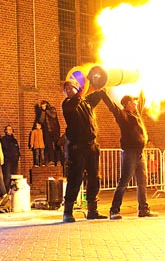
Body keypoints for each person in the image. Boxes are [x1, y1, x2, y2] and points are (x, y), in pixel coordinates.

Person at [101, 93, 157, 219]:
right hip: (130, 152)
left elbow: (142, 98)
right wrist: (103, 92)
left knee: (142, 181)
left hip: (140, 153)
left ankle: (143, 209)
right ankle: (114, 210)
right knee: (124, 181)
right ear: (127, 104)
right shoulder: (123, 115)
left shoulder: (136, 114)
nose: (136, 104)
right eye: (133, 102)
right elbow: (112, 106)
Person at [61, 79, 107, 222]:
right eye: (66, 89)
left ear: (77, 88)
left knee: (94, 178)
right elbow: (74, 102)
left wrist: (98, 80)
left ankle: (92, 210)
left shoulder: (87, 102)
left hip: (91, 146)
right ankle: (67, 212)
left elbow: (100, 92)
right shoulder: (67, 104)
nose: (68, 91)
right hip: (77, 148)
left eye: (70, 88)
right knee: (75, 178)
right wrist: (80, 92)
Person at [0, 125, 21, 192]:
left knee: (14, 175)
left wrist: (18, 156)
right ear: (5, 131)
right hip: (8, 160)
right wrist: (9, 156)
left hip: (14, 160)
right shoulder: (3, 140)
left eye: (11, 129)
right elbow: (4, 149)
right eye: (8, 129)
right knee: (7, 175)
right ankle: (5, 191)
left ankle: (13, 189)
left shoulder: (14, 140)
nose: (9, 131)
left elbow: (17, 149)